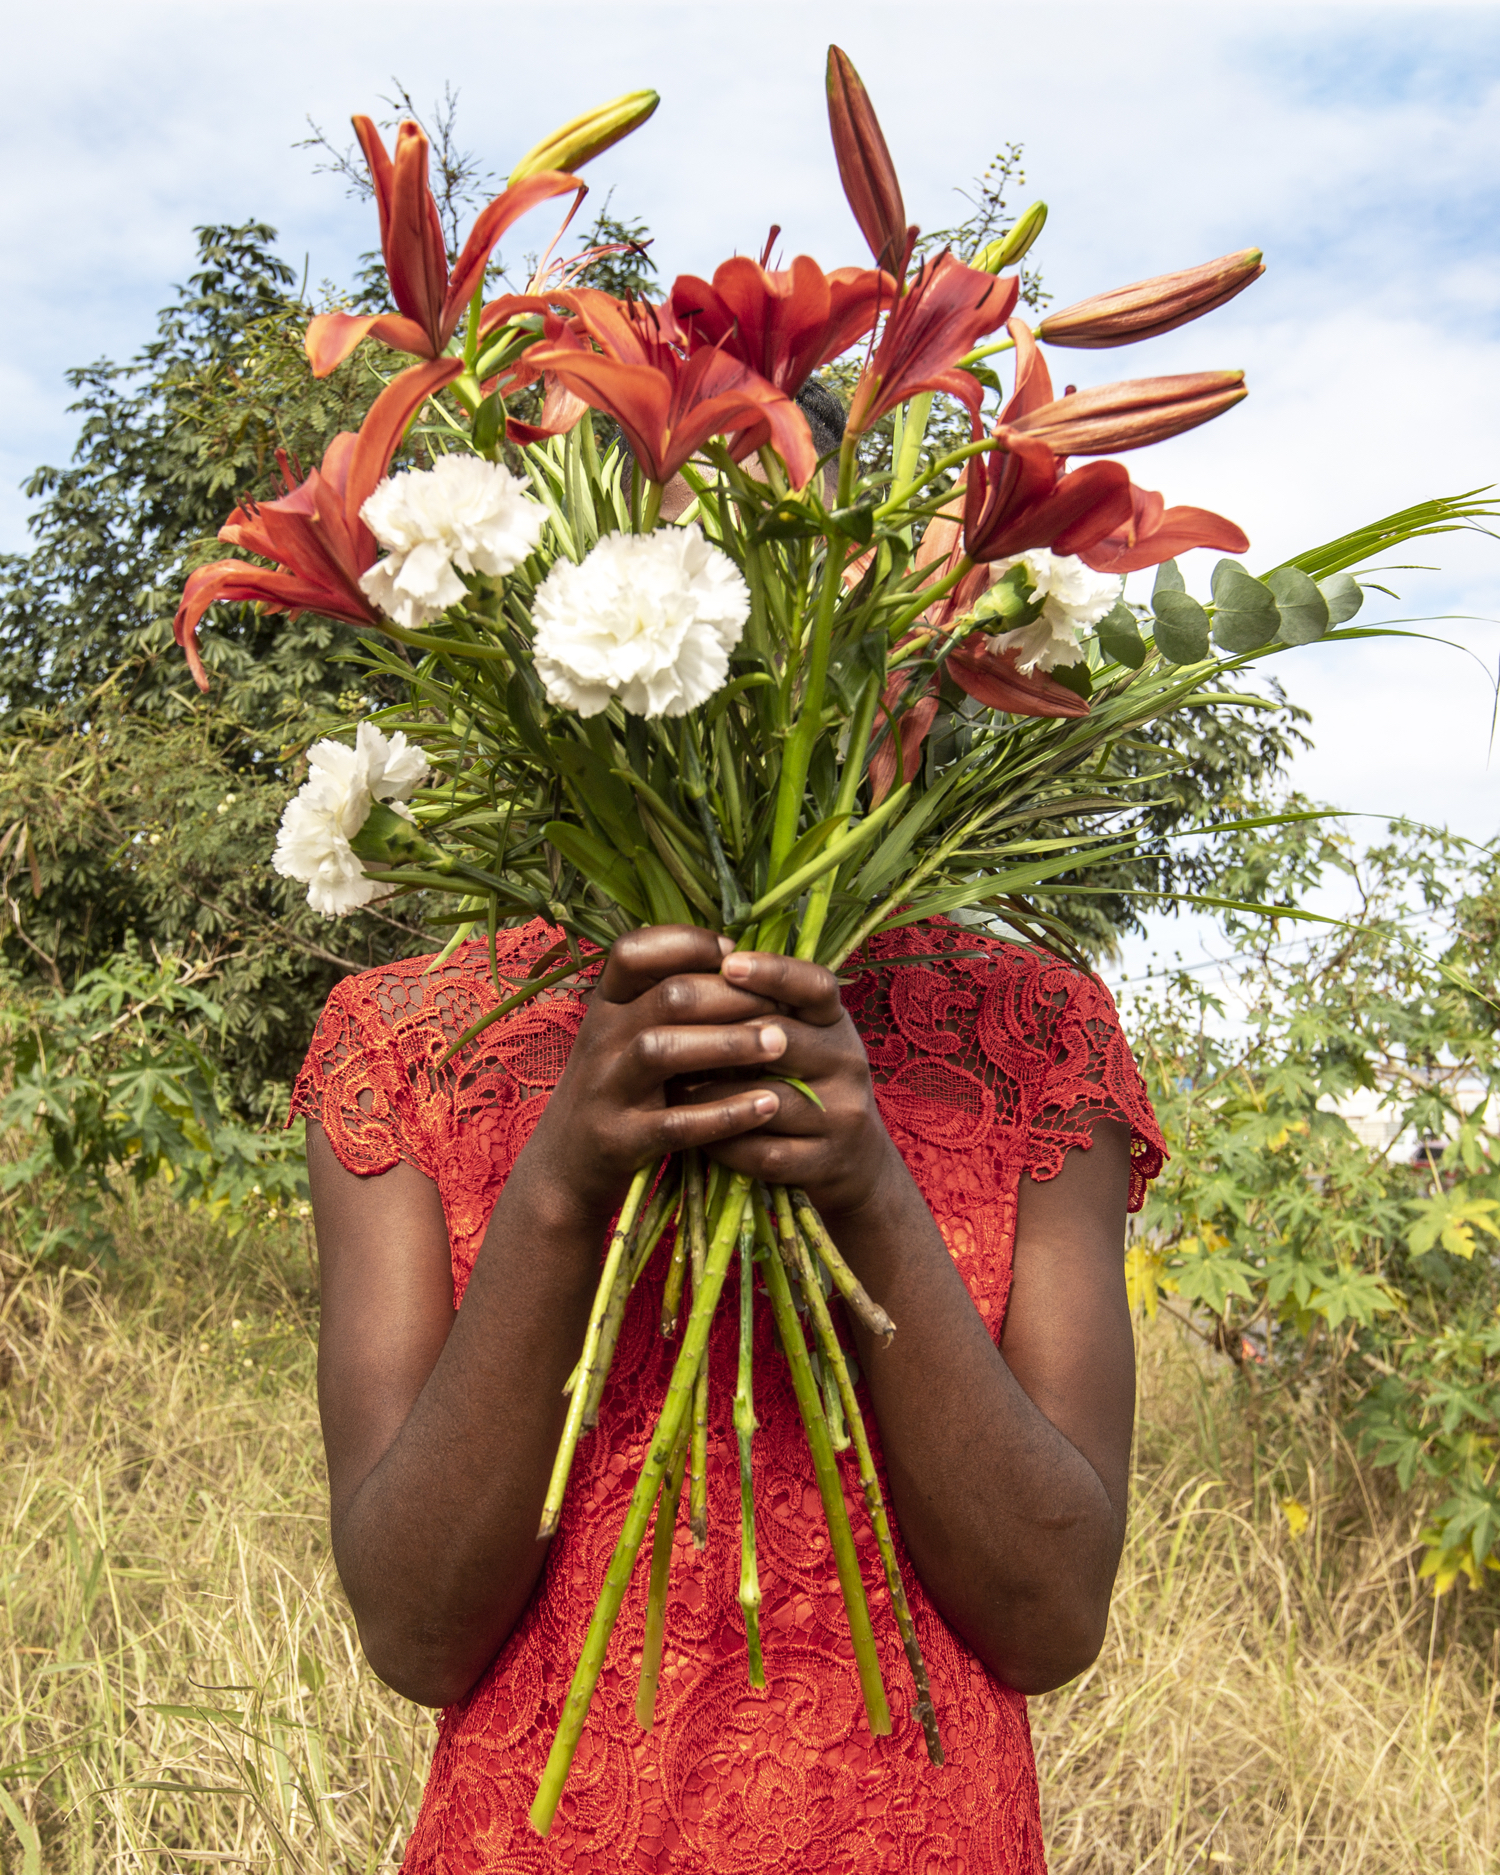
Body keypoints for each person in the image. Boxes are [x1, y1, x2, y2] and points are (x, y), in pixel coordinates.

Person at [295, 914, 1163, 1874]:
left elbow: (1052, 1619)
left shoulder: (1027, 1033)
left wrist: (871, 1189)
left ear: (910, 749)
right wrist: (563, 1187)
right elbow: (416, 1636)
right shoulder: (418, 1040)